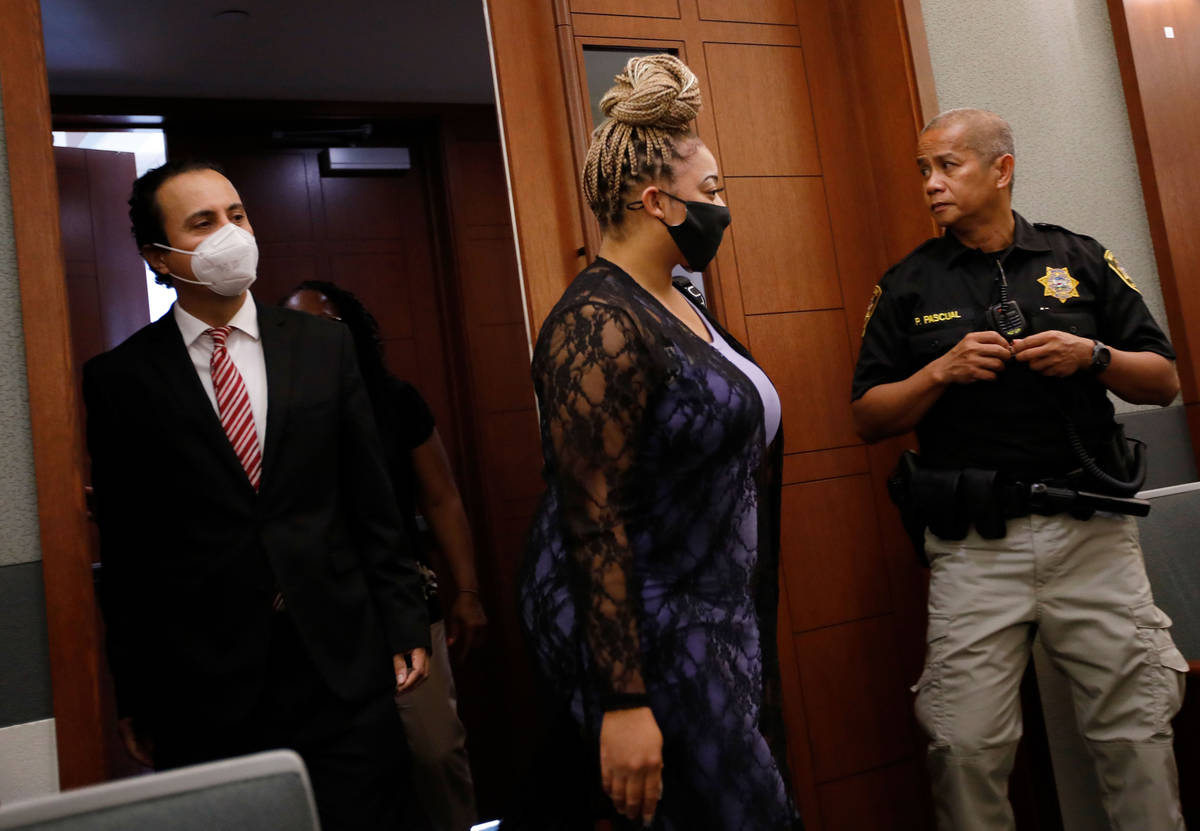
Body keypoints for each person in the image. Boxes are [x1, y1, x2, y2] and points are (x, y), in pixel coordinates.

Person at [852, 108, 1188, 830]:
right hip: (977, 546)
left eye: (947, 166)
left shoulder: (1079, 258)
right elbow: (868, 415)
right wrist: (939, 371)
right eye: (923, 170)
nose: (931, 184)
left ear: (1001, 169)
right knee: (963, 746)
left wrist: (1091, 355)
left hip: (1093, 535)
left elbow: (1163, 381)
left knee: (1136, 733)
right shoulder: (909, 284)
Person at [83, 160, 431, 831]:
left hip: (339, 660)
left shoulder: (324, 346)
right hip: (205, 681)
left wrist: (403, 619)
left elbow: (372, 500)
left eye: (236, 214)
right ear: (159, 256)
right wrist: (135, 691)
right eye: (203, 222)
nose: (230, 233)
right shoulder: (121, 379)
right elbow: (128, 553)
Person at [515, 55, 801, 831]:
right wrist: (624, 702)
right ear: (656, 202)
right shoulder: (597, 322)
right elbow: (592, 518)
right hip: (649, 634)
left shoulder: (674, 298)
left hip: (712, 615)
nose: (722, 207)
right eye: (711, 190)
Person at [283, 280, 486, 831]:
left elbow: (442, 499)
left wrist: (468, 592)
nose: (314, 340)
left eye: (327, 325)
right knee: (352, 769)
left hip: (404, 604)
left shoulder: (393, 399)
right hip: (325, 618)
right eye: (297, 329)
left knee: (435, 752)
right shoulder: (277, 412)